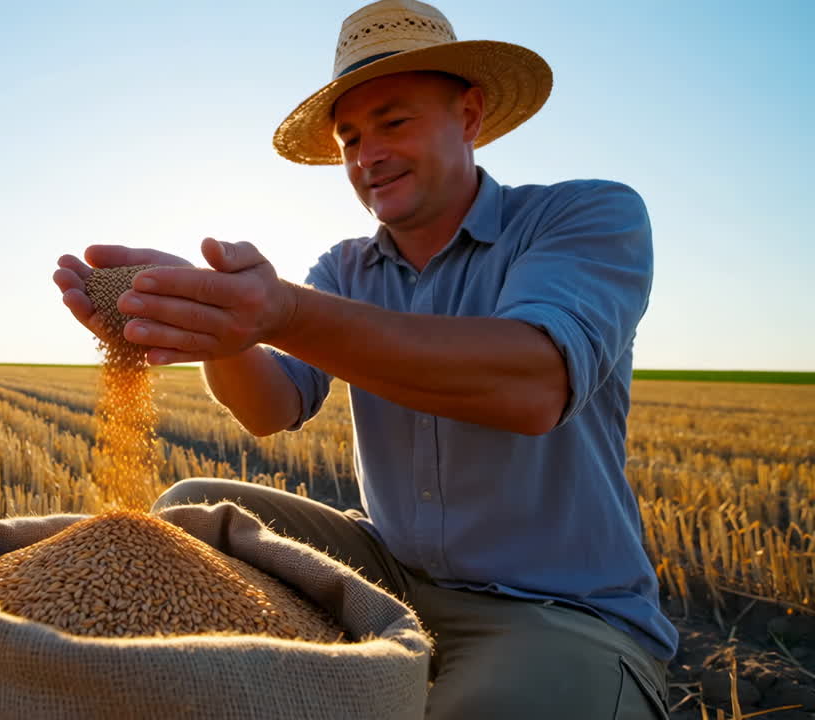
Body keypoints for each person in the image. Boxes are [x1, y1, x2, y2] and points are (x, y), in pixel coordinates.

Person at [53, 0, 675, 716]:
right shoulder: (345, 267)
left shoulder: (583, 217)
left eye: (394, 122)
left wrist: (281, 312)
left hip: (557, 607)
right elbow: (271, 407)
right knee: (194, 513)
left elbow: (531, 383)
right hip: (391, 578)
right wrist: (220, 331)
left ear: (469, 116)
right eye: (349, 137)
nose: (366, 155)